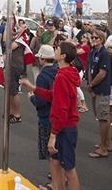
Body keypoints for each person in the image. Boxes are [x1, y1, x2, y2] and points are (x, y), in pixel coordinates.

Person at [21, 42, 82, 190]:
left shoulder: (62, 77)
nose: (55, 50)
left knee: (69, 169)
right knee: (55, 162)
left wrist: (53, 135)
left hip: (65, 128)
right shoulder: (65, 73)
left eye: (58, 49)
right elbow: (52, 95)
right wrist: (33, 88)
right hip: (65, 126)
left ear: (63, 56)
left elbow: (61, 108)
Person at [28, 44, 58, 189]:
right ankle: (60, 177)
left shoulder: (42, 76)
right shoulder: (59, 72)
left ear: (42, 59)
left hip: (47, 116)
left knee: (51, 153)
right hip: (60, 115)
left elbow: (41, 101)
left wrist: (31, 97)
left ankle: (54, 183)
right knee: (59, 151)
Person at [86, 29, 112, 159]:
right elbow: (91, 70)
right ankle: (105, 143)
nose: (94, 39)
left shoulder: (104, 53)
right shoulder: (93, 52)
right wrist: (91, 85)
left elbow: (102, 73)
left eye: (96, 38)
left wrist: (91, 84)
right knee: (101, 117)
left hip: (102, 89)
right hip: (96, 89)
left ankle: (103, 147)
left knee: (103, 118)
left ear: (102, 39)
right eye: (93, 37)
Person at [4, 21, 28, 124]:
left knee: (14, 91)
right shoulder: (18, 38)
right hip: (12, 65)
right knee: (9, 90)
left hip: (15, 66)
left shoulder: (21, 39)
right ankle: (11, 112)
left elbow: (8, 46)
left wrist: (11, 33)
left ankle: (17, 115)